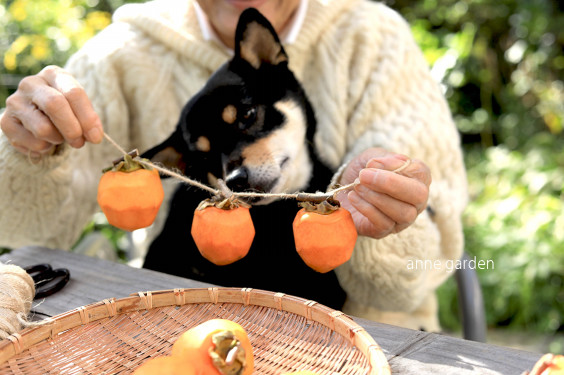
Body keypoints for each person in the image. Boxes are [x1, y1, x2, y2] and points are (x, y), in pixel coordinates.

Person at [0, 0, 467, 332]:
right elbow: (24, 230)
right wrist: (29, 151)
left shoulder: (373, 40)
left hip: (370, 338)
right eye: (212, 159)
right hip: (181, 331)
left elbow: (415, 275)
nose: (236, 170)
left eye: (249, 120)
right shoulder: (118, 56)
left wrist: (386, 218)